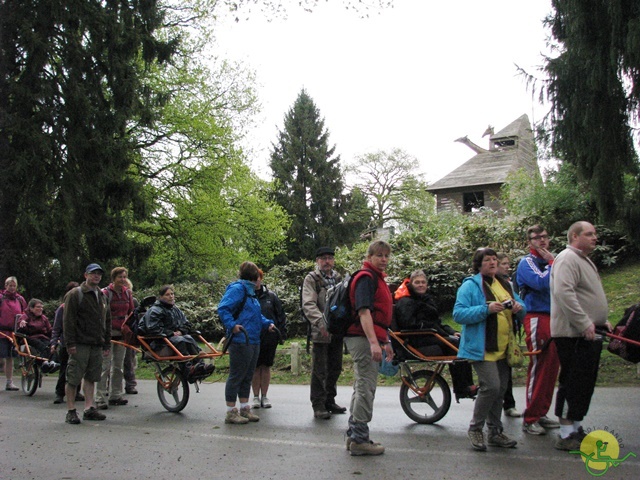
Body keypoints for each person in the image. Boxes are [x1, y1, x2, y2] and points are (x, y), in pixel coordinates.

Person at [453, 248, 526, 452]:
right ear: (479, 264)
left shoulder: (505, 284)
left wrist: (519, 308)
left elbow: (522, 306)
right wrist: (486, 309)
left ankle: (495, 432)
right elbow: (458, 314)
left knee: (501, 389)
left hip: (504, 347)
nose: (492, 263)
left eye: (494, 259)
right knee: (492, 387)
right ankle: (475, 428)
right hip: (482, 348)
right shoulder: (470, 286)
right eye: (487, 260)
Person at [550, 221, 611, 451]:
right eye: (589, 234)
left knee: (584, 383)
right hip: (572, 333)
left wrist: (599, 320)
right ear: (575, 236)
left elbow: (585, 294)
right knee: (573, 381)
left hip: (587, 331)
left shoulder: (582, 259)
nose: (595, 237)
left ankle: (576, 427)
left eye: (595, 233)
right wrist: (584, 322)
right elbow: (564, 292)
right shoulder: (567, 258)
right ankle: (565, 433)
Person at [394, 269, 477, 402]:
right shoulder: (406, 302)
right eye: (417, 282)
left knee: (459, 340)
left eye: (423, 282)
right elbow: (410, 324)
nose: (421, 285)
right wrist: (438, 332)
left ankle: (467, 384)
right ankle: (462, 388)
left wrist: (450, 332)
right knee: (454, 344)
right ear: (411, 284)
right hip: (415, 339)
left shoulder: (427, 300)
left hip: (429, 334)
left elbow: (437, 323)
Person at [344, 240, 394, 456]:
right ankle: (359, 440)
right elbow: (364, 312)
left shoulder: (376, 278)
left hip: (369, 336)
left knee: (361, 385)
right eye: (379, 255)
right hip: (362, 337)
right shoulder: (366, 278)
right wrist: (374, 342)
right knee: (366, 386)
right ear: (370, 257)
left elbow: (380, 316)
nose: (383, 259)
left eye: (386, 256)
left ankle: (354, 434)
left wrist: (386, 341)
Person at [514, 225, 561, 435]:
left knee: (552, 368)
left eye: (544, 236)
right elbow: (542, 283)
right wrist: (552, 263)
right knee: (538, 367)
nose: (542, 240)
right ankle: (530, 418)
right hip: (536, 317)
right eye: (537, 238)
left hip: (555, 318)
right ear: (529, 242)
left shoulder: (553, 261)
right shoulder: (527, 263)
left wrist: (552, 262)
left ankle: (541, 412)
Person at [218, 261, 275, 424]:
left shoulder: (250, 293)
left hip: (254, 339)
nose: (261, 281)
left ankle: (244, 408)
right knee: (237, 375)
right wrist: (232, 325)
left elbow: (254, 316)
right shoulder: (238, 289)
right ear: (254, 278)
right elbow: (223, 309)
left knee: (247, 375)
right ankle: (230, 411)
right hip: (240, 339)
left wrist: (267, 323)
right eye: (259, 277)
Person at [62, 263, 111, 424]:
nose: (96, 276)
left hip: (96, 343)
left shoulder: (102, 296)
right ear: (86, 275)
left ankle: (89, 408)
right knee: (73, 378)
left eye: (99, 274)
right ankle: (71, 410)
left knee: (91, 377)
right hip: (80, 342)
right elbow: (68, 320)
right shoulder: (75, 294)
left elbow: (107, 321)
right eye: (93, 273)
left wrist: (106, 343)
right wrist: (70, 343)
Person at [301, 246, 346, 420]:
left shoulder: (338, 278)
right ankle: (318, 404)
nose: (327, 261)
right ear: (318, 261)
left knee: (335, 366)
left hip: (337, 330)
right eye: (323, 258)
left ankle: (330, 400)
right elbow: (308, 304)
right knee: (320, 369)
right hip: (320, 330)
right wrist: (321, 323)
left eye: (330, 258)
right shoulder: (312, 279)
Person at [139, 285, 214, 379]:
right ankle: (188, 369)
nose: (171, 296)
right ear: (161, 297)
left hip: (173, 338)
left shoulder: (175, 309)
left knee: (188, 338)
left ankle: (200, 365)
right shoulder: (154, 310)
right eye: (167, 295)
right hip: (159, 341)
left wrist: (181, 331)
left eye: (172, 294)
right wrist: (171, 333)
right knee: (181, 341)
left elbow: (186, 323)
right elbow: (152, 328)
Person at [95, 267, 135, 409]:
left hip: (121, 335)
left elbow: (131, 313)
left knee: (118, 367)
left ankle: (116, 395)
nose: (123, 280)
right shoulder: (105, 293)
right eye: (120, 277)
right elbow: (100, 314)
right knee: (104, 366)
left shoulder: (127, 294)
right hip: (107, 334)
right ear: (114, 278)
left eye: (125, 277)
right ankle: (99, 397)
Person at [252, 270, 287, 409]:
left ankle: (264, 396)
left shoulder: (271, 296)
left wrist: (281, 334)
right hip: (253, 337)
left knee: (266, 366)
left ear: (261, 278)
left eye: (258, 278)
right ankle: (255, 396)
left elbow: (281, 316)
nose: (256, 281)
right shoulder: (248, 296)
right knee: (255, 367)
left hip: (269, 337)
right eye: (253, 279)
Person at [495, 253, 521, 418]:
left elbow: (518, 300)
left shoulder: (509, 285)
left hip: (510, 329)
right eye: (503, 264)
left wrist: (519, 307)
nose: (507, 267)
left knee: (507, 367)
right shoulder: (484, 284)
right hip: (494, 334)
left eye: (507, 264)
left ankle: (508, 403)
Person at [50, 282, 84, 404]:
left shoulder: (82, 307)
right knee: (65, 369)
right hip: (66, 342)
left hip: (80, 341)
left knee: (79, 368)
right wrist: (54, 342)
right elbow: (56, 327)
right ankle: (60, 393)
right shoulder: (62, 308)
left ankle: (76, 392)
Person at [16, 298, 60, 373]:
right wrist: (22, 324)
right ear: (31, 308)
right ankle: (44, 362)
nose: (41, 309)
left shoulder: (44, 318)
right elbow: (21, 325)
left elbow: (49, 330)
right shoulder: (25, 316)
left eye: (42, 307)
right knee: (42, 346)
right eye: (38, 307)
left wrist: (55, 338)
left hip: (42, 337)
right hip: (29, 338)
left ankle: (52, 362)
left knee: (52, 345)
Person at [0, 276, 27, 390]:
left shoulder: (20, 299)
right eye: (10, 285)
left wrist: (24, 320)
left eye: (14, 286)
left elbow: (25, 313)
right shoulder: (1, 298)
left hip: (14, 333)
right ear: (5, 286)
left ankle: (9, 382)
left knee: (10, 357)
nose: (12, 288)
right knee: (1, 357)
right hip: (1, 332)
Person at [123, 278, 138, 394]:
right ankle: (110, 385)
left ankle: (130, 384)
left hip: (129, 333)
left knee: (129, 360)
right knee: (113, 362)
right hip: (117, 331)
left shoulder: (134, 301)